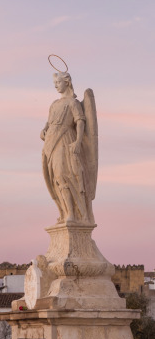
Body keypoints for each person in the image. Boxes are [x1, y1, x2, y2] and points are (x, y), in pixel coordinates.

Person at [40, 71, 96, 225]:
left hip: (66, 142)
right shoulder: (54, 104)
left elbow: (80, 121)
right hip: (51, 144)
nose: (56, 86)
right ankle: (65, 212)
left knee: (66, 175)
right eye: (55, 83)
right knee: (56, 178)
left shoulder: (73, 102)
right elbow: (49, 123)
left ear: (67, 82)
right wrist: (44, 131)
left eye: (58, 82)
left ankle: (73, 214)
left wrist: (78, 141)